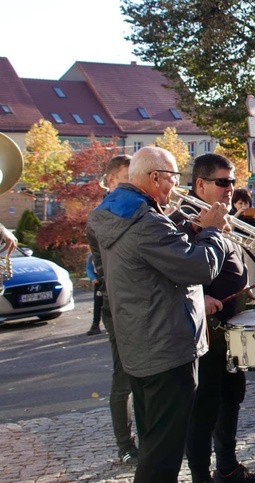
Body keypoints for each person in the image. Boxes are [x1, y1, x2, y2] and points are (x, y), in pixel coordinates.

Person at [88, 146, 228, 482]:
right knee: (163, 456)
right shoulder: (145, 221)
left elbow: (146, 262)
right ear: (154, 178)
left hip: (140, 343)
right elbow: (200, 268)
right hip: (167, 348)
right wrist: (213, 232)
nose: (175, 187)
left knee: (154, 444)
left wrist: (189, 233)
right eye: (172, 179)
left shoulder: (110, 213)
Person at [172, 155, 255, 483]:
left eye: (232, 181)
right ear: (200, 184)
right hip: (205, 329)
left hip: (231, 324)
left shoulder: (222, 217)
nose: (230, 188)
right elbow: (172, 271)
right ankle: (202, 477)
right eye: (223, 182)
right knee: (204, 406)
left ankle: (227, 468)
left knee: (231, 396)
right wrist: (200, 296)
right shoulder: (181, 220)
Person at [85, 154, 140, 464]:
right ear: (111, 181)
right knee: (124, 377)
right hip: (119, 306)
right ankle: (125, 444)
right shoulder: (104, 216)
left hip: (137, 304)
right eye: (128, 176)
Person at [85, 252, 104, 335]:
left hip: (109, 279)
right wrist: (93, 278)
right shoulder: (91, 255)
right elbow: (89, 268)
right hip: (99, 281)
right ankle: (95, 325)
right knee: (98, 303)